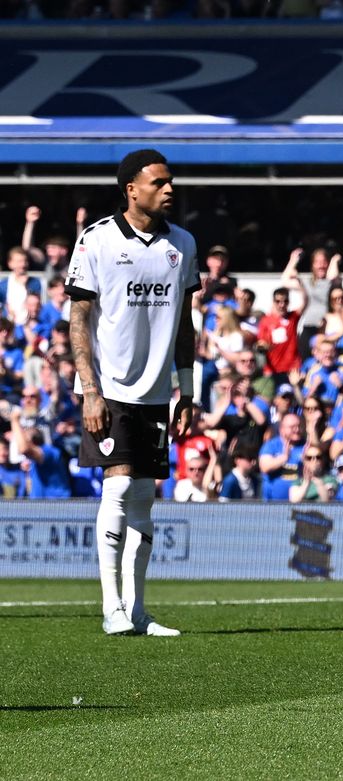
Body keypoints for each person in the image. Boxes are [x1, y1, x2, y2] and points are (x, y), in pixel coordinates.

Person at [66, 148, 198, 637]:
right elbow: (79, 321)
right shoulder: (96, 241)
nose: (169, 190)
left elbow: (185, 324)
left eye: (171, 182)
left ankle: (138, 610)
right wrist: (90, 391)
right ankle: (110, 607)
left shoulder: (182, 243)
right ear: (132, 189)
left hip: (158, 391)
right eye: (159, 182)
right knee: (119, 486)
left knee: (143, 494)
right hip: (113, 387)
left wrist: (189, 389)